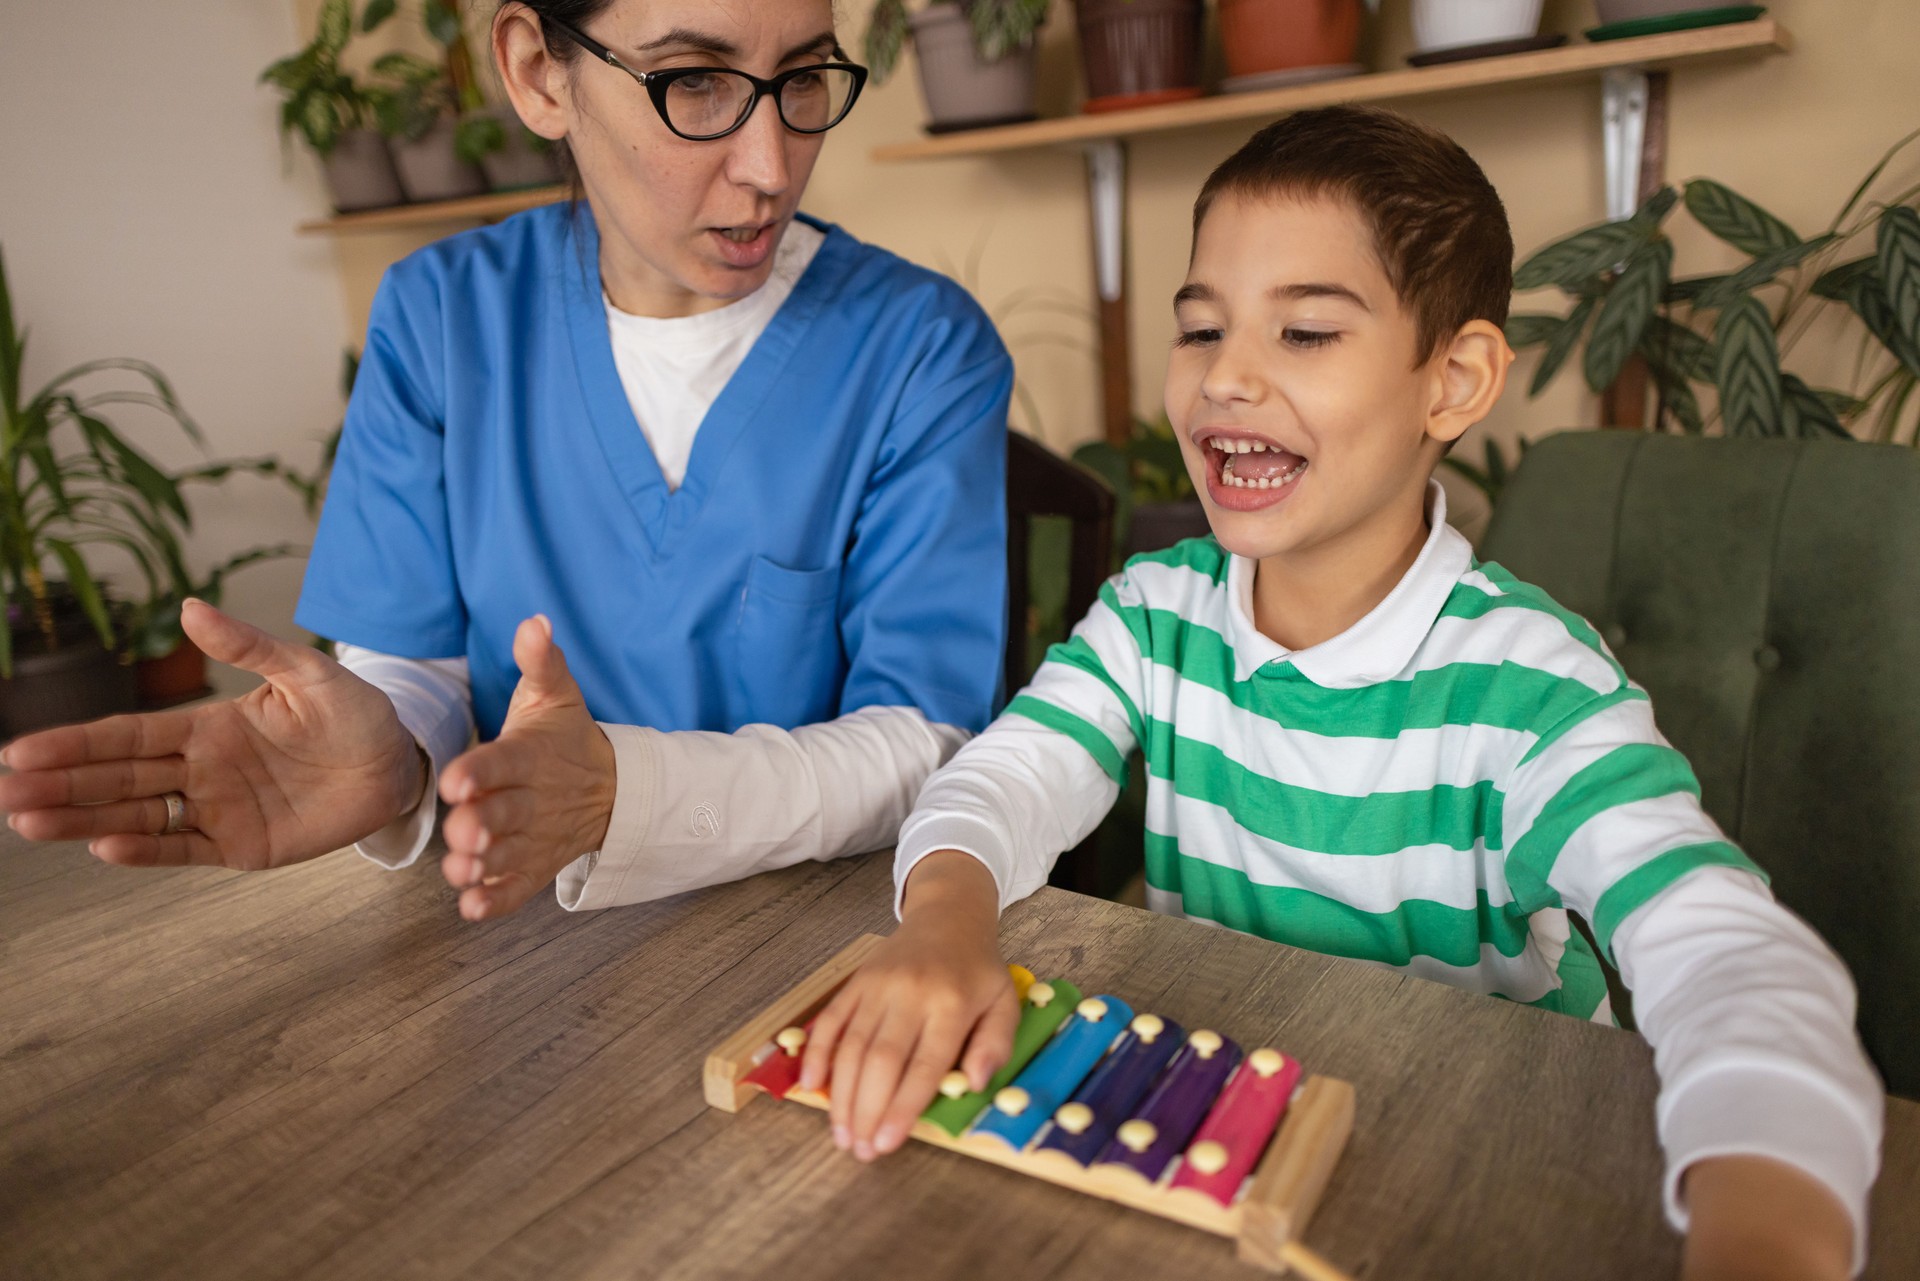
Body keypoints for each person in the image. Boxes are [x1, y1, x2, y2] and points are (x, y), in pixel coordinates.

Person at [801, 108, 1885, 1280]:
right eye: (1201, 327)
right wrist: (946, 922)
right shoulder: (1155, 614)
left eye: (1307, 331)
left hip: (1488, 1170)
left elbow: (1729, 956)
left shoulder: (1530, 689)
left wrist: (1768, 1224)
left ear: (1454, 380)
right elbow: (1005, 779)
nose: (1227, 376)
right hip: (1222, 1153)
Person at [0, 0, 1010, 920]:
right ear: (537, 74)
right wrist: (391, 761)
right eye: (694, 81)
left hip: (810, 948)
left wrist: (621, 793)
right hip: (508, 934)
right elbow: (416, 664)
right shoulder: (442, 319)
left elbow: (925, 739)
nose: (771, 165)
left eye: (800, 78)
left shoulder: (921, 346)